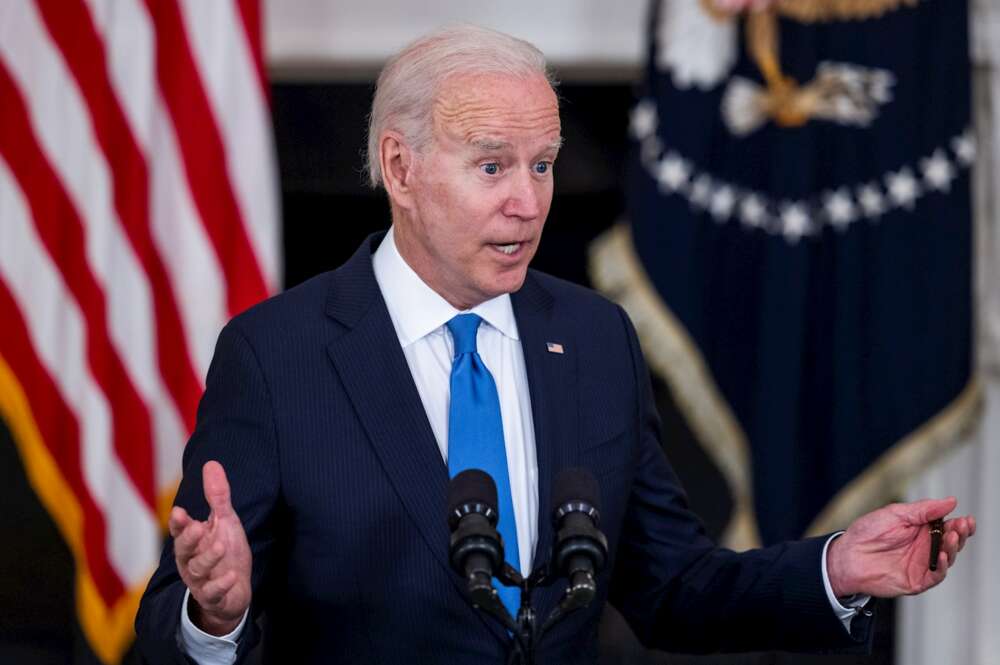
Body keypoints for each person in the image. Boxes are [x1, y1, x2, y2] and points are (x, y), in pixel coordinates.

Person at [135, 25, 975, 665]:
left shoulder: (592, 336)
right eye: (493, 166)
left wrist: (838, 570)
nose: (529, 203)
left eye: (543, 165)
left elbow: (673, 584)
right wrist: (217, 612)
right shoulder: (277, 355)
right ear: (400, 167)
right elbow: (168, 627)